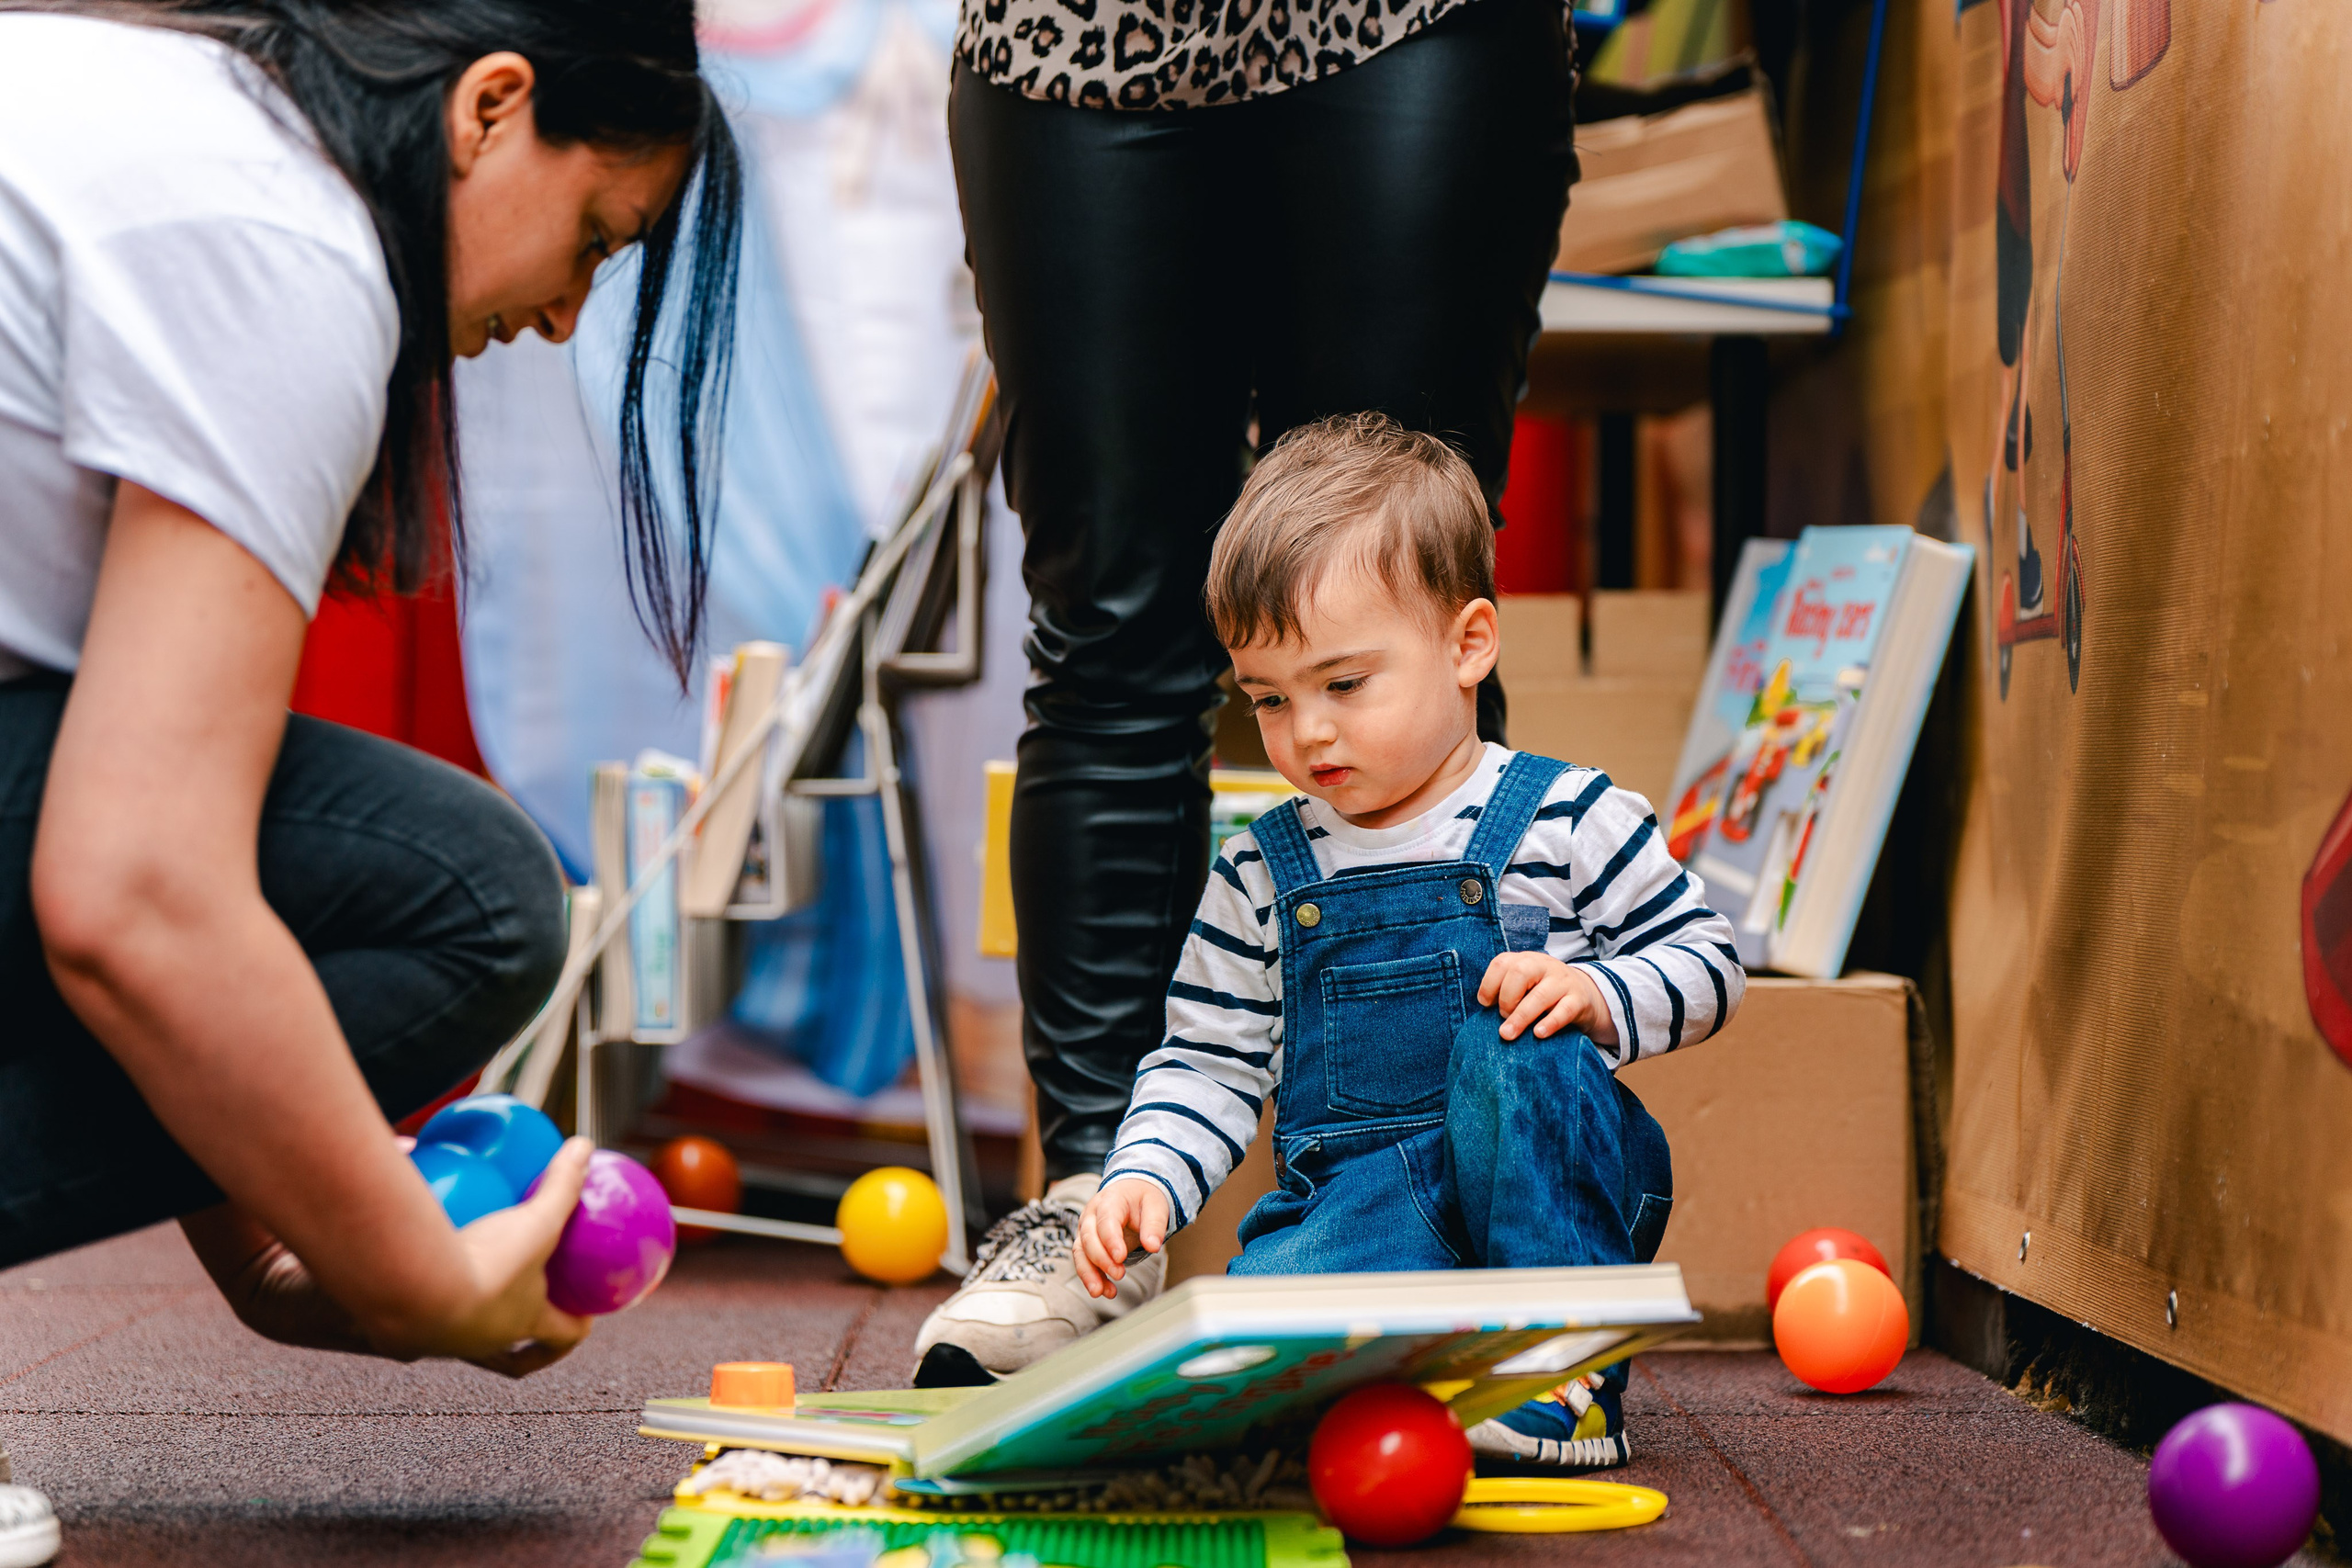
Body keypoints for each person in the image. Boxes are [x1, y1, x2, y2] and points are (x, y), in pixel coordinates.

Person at [0, 2, 741, 1558]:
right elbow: (130, 891)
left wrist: (284, 1223)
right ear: (489, 108)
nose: (559, 317)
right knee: (472, 901)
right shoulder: (294, 247)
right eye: (599, 239)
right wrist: (407, 1262)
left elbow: (112, 803)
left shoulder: (186, 125)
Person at [914, 0, 1580, 1385]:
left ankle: (1432, 1200)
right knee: (1107, 629)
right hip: (1073, 37)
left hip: (1413, 18)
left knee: (1395, 584)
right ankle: (1092, 1210)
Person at [1069, 415, 1746, 1470]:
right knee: (1245, 1353)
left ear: (1467, 643)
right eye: (1269, 701)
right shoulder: (1258, 873)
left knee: (1512, 1032)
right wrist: (1145, 1175)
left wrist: (1595, 993)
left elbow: (1709, 961)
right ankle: (1390, 1381)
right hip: (1371, 1207)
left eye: (1343, 685)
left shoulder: (1568, 816)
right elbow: (1206, 1059)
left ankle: (1562, 1380)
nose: (1308, 733)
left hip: (1557, 1188)